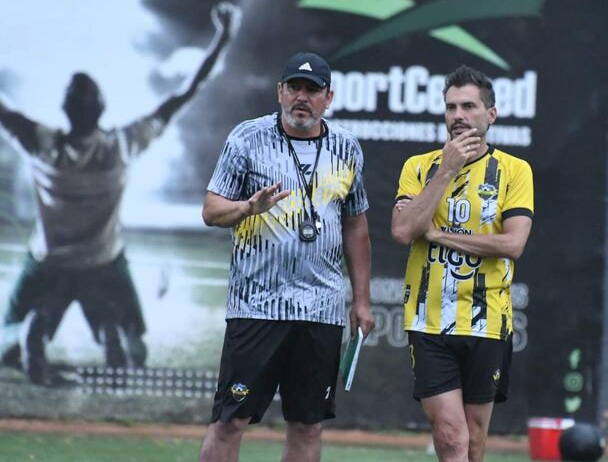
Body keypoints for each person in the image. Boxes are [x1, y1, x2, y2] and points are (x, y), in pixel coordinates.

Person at [0, 2, 238, 385]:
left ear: (64, 108)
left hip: (48, 260)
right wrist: (223, 37)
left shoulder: (43, 146)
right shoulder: (122, 146)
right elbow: (185, 93)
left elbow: (3, 110)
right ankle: (114, 327)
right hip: (103, 262)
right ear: (102, 108)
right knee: (134, 341)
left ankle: (37, 326)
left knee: (6, 338)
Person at [198, 52, 374, 462]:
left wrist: (361, 299)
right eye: (294, 87)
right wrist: (246, 208)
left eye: (312, 90)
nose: (302, 97)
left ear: (328, 98)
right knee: (229, 421)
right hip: (258, 304)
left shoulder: (347, 147)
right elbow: (210, 210)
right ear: (280, 91)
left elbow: (356, 225)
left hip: (322, 309)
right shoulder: (246, 138)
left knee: (308, 424)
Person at [391, 65, 534, 462]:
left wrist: (438, 235)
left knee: (473, 439)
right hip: (428, 320)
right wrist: (448, 168)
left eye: (469, 106)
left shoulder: (514, 171)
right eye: (451, 107)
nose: (458, 115)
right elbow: (403, 230)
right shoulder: (418, 167)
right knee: (451, 435)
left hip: (488, 320)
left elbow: (513, 242)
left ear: (491, 114)